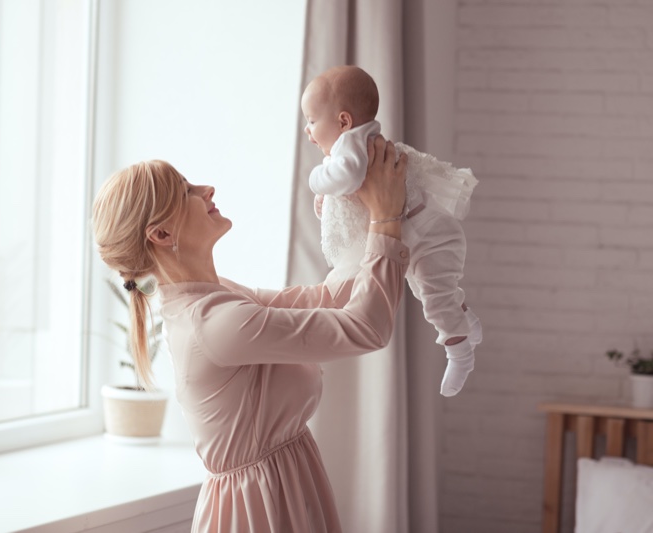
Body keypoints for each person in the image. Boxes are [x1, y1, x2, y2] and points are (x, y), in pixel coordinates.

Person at [91, 137, 408, 533]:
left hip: (281, 489)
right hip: (261, 510)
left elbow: (324, 299)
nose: (207, 189)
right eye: (186, 190)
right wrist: (386, 222)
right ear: (160, 234)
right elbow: (367, 328)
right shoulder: (216, 324)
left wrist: (362, 219)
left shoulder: (213, 295)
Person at [301, 64, 483, 397]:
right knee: (432, 294)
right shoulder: (356, 143)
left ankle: (460, 353)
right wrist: (325, 199)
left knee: (435, 300)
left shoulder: (351, 146)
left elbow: (348, 176)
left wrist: (315, 180)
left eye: (312, 121)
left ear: (343, 121)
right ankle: (464, 322)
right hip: (417, 234)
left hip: (429, 235)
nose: (307, 131)